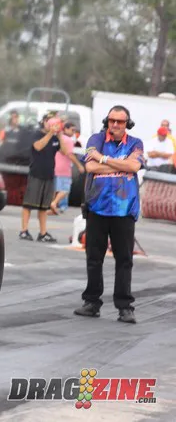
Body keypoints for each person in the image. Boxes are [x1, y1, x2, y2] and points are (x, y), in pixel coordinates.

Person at [74, 105, 145, 324]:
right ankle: (91, 302)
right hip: (97, 207)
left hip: (124, 209)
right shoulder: (95, 140)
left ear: (127, 124)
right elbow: (90, 168)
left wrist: (103, 160)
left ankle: (124, 307)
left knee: (124, 260)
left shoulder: (135, 143)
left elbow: (134, 166)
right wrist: (121, 166)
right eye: (112, 120)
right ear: (107, 121)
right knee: (94, 258)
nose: (115, 124)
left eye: (120, 121)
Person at [19, 113, 72, 242]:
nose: (53, 125)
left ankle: (42, 233)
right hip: (36, 173)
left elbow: (65, 152)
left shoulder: (55, 138)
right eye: (50, 122)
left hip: (49, 174)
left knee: (44, 206)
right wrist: (50, 133)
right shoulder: (36, 134)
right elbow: (38, 146)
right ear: (44, 122)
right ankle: (24, 231)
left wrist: (59, 135)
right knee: (28, 204)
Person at [49, 122, 85, 214]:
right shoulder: (68, 140)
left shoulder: (58, 138)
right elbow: (70, 154)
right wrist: (79, 165)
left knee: (56, 189)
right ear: (65, 129)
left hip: (55, 167)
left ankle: (55, 207)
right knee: (65, 189)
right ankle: (55, 203)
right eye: (72, 130)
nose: (73, 132)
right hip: (64, 169)